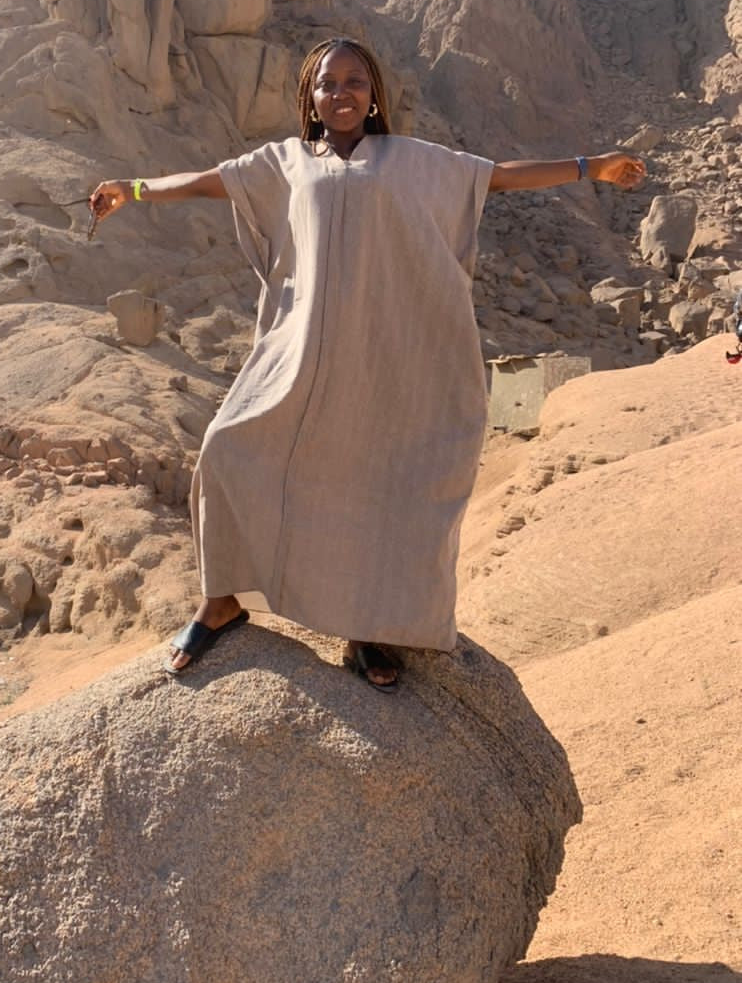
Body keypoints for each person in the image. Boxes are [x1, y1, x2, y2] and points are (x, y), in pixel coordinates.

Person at [89, 37, 646, 690]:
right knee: (225, 449)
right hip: (300, 353)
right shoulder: (285, 162)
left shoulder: (410, 159)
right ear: (311, 97)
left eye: (355, 81)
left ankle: (368, 628)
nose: (342, 93)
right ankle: (221, 601)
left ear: (374, 93)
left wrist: (592, 166)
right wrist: (131, 190)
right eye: (329, 83)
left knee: (376, 488)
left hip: (383, 356)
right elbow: (210, 182)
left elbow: (496, 174)